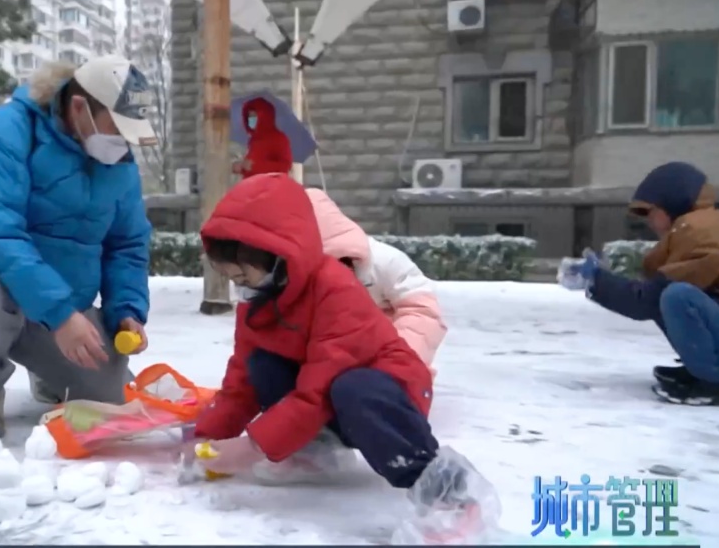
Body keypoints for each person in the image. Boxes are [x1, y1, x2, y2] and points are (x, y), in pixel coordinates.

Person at [193, 174, 496, 542]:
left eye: (243, 274)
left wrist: (254, 445)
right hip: (328, 397)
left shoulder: (334, 289)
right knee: (263, 363)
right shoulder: (260, 301)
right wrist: (205, 436)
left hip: (386, 394)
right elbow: (241, 377)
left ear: (276, 255)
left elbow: (319, 387)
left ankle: (449, 497)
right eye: (231, 277)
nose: (240, 285)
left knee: (352, 387)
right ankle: (313, 450)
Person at [0, 55, 155, 439]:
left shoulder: (119, 163)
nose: (122, 143)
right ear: (80, 107)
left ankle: (49, 374)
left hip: (68, 307)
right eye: (116, 128)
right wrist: (60, 315)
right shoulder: (7, 132)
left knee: (113, 398)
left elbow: (127, 244)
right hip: (2, 296)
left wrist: (127, 310)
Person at [564, 162, 719, 406]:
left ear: (672, 202)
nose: (647, 221)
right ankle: (703, 370)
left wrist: (595, 279)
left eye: (649, 211)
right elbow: (653, 293)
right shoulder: (700, 225)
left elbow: (646, 300)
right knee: (666, 295)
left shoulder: (701, 231)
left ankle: (712, 384)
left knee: (676, 296)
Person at [305, 188, 446, 375]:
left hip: (392, 359)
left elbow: (423, 313)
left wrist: (399, 357)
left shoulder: (385, 261)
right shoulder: (293, 271)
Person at [231, 97, 292, 179]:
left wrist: (255, 166)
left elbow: (285, 166)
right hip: (252, 186)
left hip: (269, 187)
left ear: (264, 116)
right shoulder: (253, 140)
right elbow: (251, 166)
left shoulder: (279, 138)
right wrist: (241, 167)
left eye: (254, 116)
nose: (251, 120)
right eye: (249, 116)